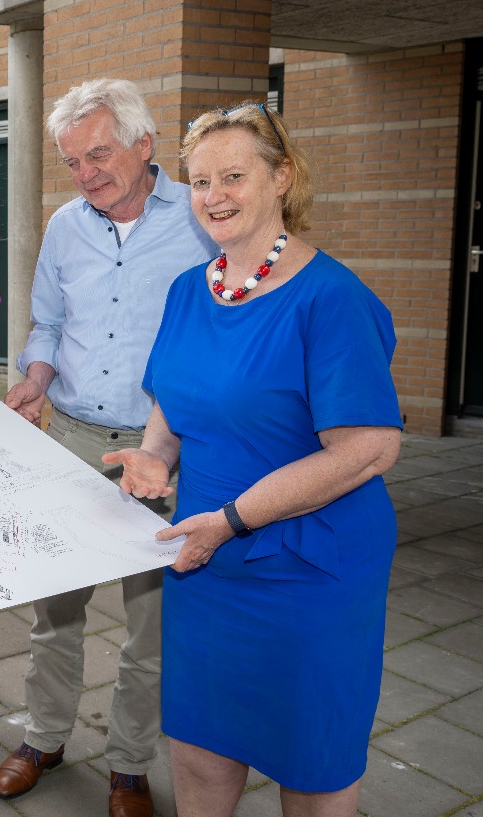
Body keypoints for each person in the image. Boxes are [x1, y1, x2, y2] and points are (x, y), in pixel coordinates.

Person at [106, 103, 402, 816]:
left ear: (283, 177)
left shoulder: (330, 298)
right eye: (200, 180)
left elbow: (369, 447)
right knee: (201, 761)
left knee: (312, 772)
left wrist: (232, 520)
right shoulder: (189, 290)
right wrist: (153, 459)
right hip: (205, 567)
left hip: (310, 571)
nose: (214, 195)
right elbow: (173, 403)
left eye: (234, 175)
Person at [0, 78, 216, 817]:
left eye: (98, 154)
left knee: (151, 626)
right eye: (72, 162)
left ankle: (127, 764)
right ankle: (45, 738)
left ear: (143, 143)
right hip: (76, 440)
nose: (86, 174)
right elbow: (48, 324)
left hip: (165, 452)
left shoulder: (200, 217)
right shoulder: (65, 227)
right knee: (54, 612)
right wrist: (35, 377)